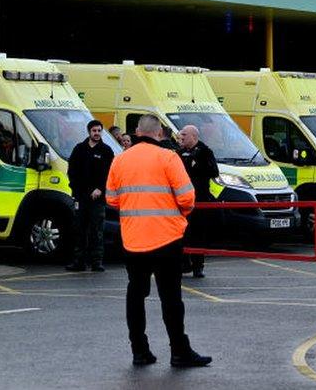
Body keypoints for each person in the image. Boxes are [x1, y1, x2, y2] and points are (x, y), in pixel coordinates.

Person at [106, 114, 212, 367]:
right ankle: (179, 351)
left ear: (137, 132)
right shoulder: (168, 157)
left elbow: (111, 199)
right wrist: (178, 215)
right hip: (166, 238)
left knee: (136, 295)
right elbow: (187, 197)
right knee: (171, 298)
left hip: (133, 239)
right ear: (159, 133)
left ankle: (139, 351)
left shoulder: (120, 160)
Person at [66, 119, 115, 272]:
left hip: (98, 199)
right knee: (80, 230)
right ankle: (79, 261)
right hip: (81, 197)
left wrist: (100, 189)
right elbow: (72, 172)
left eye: (99, 130)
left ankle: (96, 262)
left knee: (97, 230)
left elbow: (109, 174)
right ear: (89, 132)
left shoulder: (106, 151)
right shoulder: (79, 149)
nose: (97, 133)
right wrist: (78, 190)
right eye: (94, 131)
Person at [177, 125, 219, 278]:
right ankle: (183, 263)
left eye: (184, 135)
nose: (181, 137)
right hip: (182, 201)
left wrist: (196, 165)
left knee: (198, 234)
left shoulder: (205, 152)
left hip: (199, 200)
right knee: (182, 233)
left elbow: (214, 171)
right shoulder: (179, 153)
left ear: (194, 136)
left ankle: (198, 265)